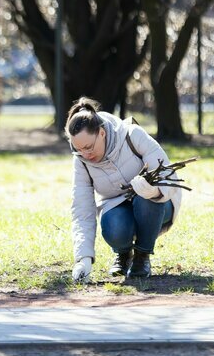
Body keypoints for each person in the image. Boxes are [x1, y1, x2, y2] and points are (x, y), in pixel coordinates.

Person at [66, 97, 183, 281]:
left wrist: (152, 191)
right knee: (114, 227)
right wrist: (83, 258)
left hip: (158, 205)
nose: (86, 155)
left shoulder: (132, 135)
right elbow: (82, 210)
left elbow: (168, 176)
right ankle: (123, 254)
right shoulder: (81, 160)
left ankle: (142, 256)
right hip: (116, 206)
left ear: (102, 133)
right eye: (79, 150)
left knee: (144, 199)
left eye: (89, 147)